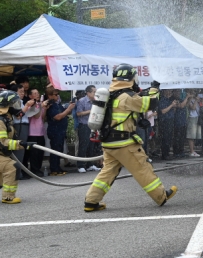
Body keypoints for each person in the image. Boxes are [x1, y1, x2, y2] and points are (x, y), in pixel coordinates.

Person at [83, 63, 177, 212]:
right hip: (124, 143)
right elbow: (151, 104)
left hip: (109, 143)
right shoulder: (126, 97)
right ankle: (160, 196)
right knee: (142, 168)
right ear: (130, 78)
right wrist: (154, 89)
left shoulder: (111, 93)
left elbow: (135, 100)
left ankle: (91, 201)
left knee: (108, 172)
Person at [0, 90, 33, 204]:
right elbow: (2, 141)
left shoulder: (5, 118)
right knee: (12, 167)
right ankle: (8, 197)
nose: (16, 107)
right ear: (7, 106)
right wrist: (21, 144)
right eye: (14, 104)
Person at [46, 86, 75, 176]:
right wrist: (68, 109)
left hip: (61, 130)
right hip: (55, 130)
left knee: (59, 149)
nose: (57, 96)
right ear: (50, 95)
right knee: (55, 150)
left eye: (58, 94)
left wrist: (70, 107)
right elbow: (58, 117)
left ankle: (58, 167)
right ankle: (54, 169)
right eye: (55, 94)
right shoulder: (50, 105)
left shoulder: (57, 104)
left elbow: (65, 113)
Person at [75, 85, 101, 173]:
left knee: (91, 145)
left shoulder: (95, 101)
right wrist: (90, 111)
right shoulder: (82, 101)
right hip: (84, 125)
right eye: (94, 92)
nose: (95, 93)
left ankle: (90, 164)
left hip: (93, 125)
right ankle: (80, 165)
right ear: (88, 93)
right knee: (84, 145)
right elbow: (78, 113)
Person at [26, 88, 46, 176]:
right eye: (34, 93)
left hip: (40, 131)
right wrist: (41, 106)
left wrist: (43, 107)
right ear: (30, 96)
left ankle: (38, 168)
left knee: (40, 152)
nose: (37, 94)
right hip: (32, 132)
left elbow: (42, 117)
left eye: (38, 93)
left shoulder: (39, 104)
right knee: (34, 153)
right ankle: (34, 170)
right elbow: (37, 116)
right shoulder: (30, 105)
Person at [157, 90, 177, 160]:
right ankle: (164, 154)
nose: (170, 93)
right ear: (165, 91)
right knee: (165, 138)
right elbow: (163, 111)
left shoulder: (169, 99)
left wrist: (173, 106)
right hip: (165, 121)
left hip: (170, 120)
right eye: (169, 91)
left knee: (169, 137)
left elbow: (172, 110)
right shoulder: (162, 99)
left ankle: (167, 152)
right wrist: (171, 105)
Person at [172, 89, 189, 157]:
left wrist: (190, 98)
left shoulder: (180, 99)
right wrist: (187, 97)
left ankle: (181, 150)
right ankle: (176, 151)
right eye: (177, 91)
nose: (178, 93)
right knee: (177, 137)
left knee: (182, 137)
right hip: (177, 121)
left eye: (179, 91)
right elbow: (181, 105)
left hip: (182, 120)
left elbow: (185, 105)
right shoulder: (173, 99)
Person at [186, 90, 202, 157]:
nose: (193, 94)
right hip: (191, 117)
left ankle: (193, 150)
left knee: (195, 135)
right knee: (191, 135)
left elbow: (201, 106)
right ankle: (191, 151)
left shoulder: (196, 99)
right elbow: (193, 108)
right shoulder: (189, 100)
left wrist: (201, 100)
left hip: (197, 117)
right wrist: (195, 100)